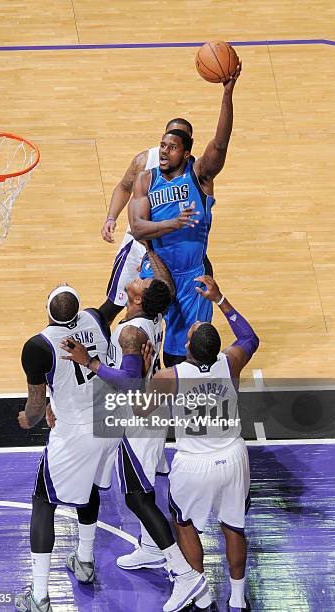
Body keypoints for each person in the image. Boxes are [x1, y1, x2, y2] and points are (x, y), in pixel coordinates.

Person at [60, 250, 211, 612]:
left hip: (138, 418)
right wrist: (153, 249)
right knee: (142, 489)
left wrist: (91, 362)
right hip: (152, 411)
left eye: (143, 281)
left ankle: (185, 575)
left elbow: (128, 385)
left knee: (136, 497)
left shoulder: (130, 331)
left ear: (139, 298)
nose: (139, 277)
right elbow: (167, 289)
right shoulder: (151, 314)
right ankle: (149, 548)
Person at [143, 274, 259, 611]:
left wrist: (149, 365)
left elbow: (141, 408)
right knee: (234, 525)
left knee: (185, 524)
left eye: (191, 334)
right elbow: (249, 336)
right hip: (233, 457)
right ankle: (237, 599)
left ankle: (201, 592)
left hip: (194, 463)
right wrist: (220, 299)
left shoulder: (171, 377)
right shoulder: (231, 362)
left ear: (190, 349)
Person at [129, 63, 241, 367]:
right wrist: (172, 223)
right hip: (158, 269)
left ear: (186, 153)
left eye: (172, 147)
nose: (164, 151)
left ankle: (178, 393)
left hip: (193, 273)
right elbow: (138, 229)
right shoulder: (145, 179)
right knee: (135, 338)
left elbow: (220, 143)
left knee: (181, 354)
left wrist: (227, 94)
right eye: (162, 145)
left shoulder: (199, 176)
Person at [15, 285, 118, 612]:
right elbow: (111, 305)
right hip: (108, 421)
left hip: (74, 431)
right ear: (77, 310)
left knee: (43, 503)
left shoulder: (37, 346)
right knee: (90, 486)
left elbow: (34, 404)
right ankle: (85, 561)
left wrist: (28, 420)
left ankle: (40, 596)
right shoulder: (96, 319)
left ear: (47, 312)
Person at [100, 118, 194, 324]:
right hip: (138, 246)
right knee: (115, 304)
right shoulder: (145, 160)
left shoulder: (194, 171)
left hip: (170, 252)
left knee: (162, 312)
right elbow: (125, 187)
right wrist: (111, 218)